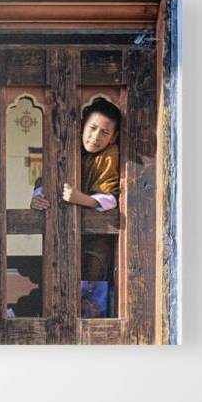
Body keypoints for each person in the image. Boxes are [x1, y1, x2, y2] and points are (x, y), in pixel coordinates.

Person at [31, 98, 121, 284]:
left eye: (105, 132)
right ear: (81, 127)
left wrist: (80, 199)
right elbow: (46, 181)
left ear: (113, 137)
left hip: (97, 234)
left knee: (91, 281)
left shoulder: (109, 155)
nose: (96, 137)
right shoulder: (66, 149)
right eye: (92, 128)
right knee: (53, 277)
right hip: (63, 228)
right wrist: (37, 197)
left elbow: (111, 199)